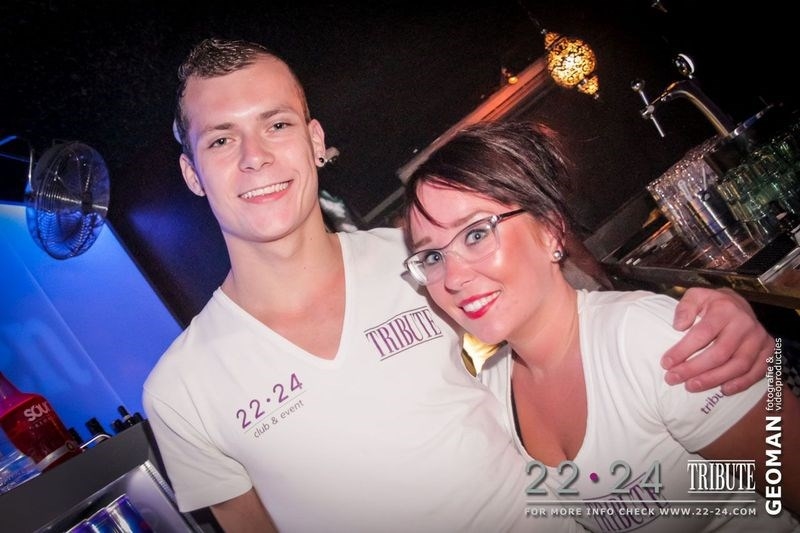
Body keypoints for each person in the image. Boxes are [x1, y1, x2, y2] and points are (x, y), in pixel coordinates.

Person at [142, 38, 774, 532]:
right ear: (192, 173)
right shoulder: (180, 390)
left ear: (315, 140)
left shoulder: (423, 260)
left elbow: (564, 325)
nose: (254, 156)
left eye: (276, 124)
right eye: (220, 139)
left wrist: (695, 320)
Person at [401, 119, 799, 531]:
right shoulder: (492, 392)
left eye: (475, 234)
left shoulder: (645, 340)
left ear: (549, 230)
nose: (453, 278)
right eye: (432, 257)